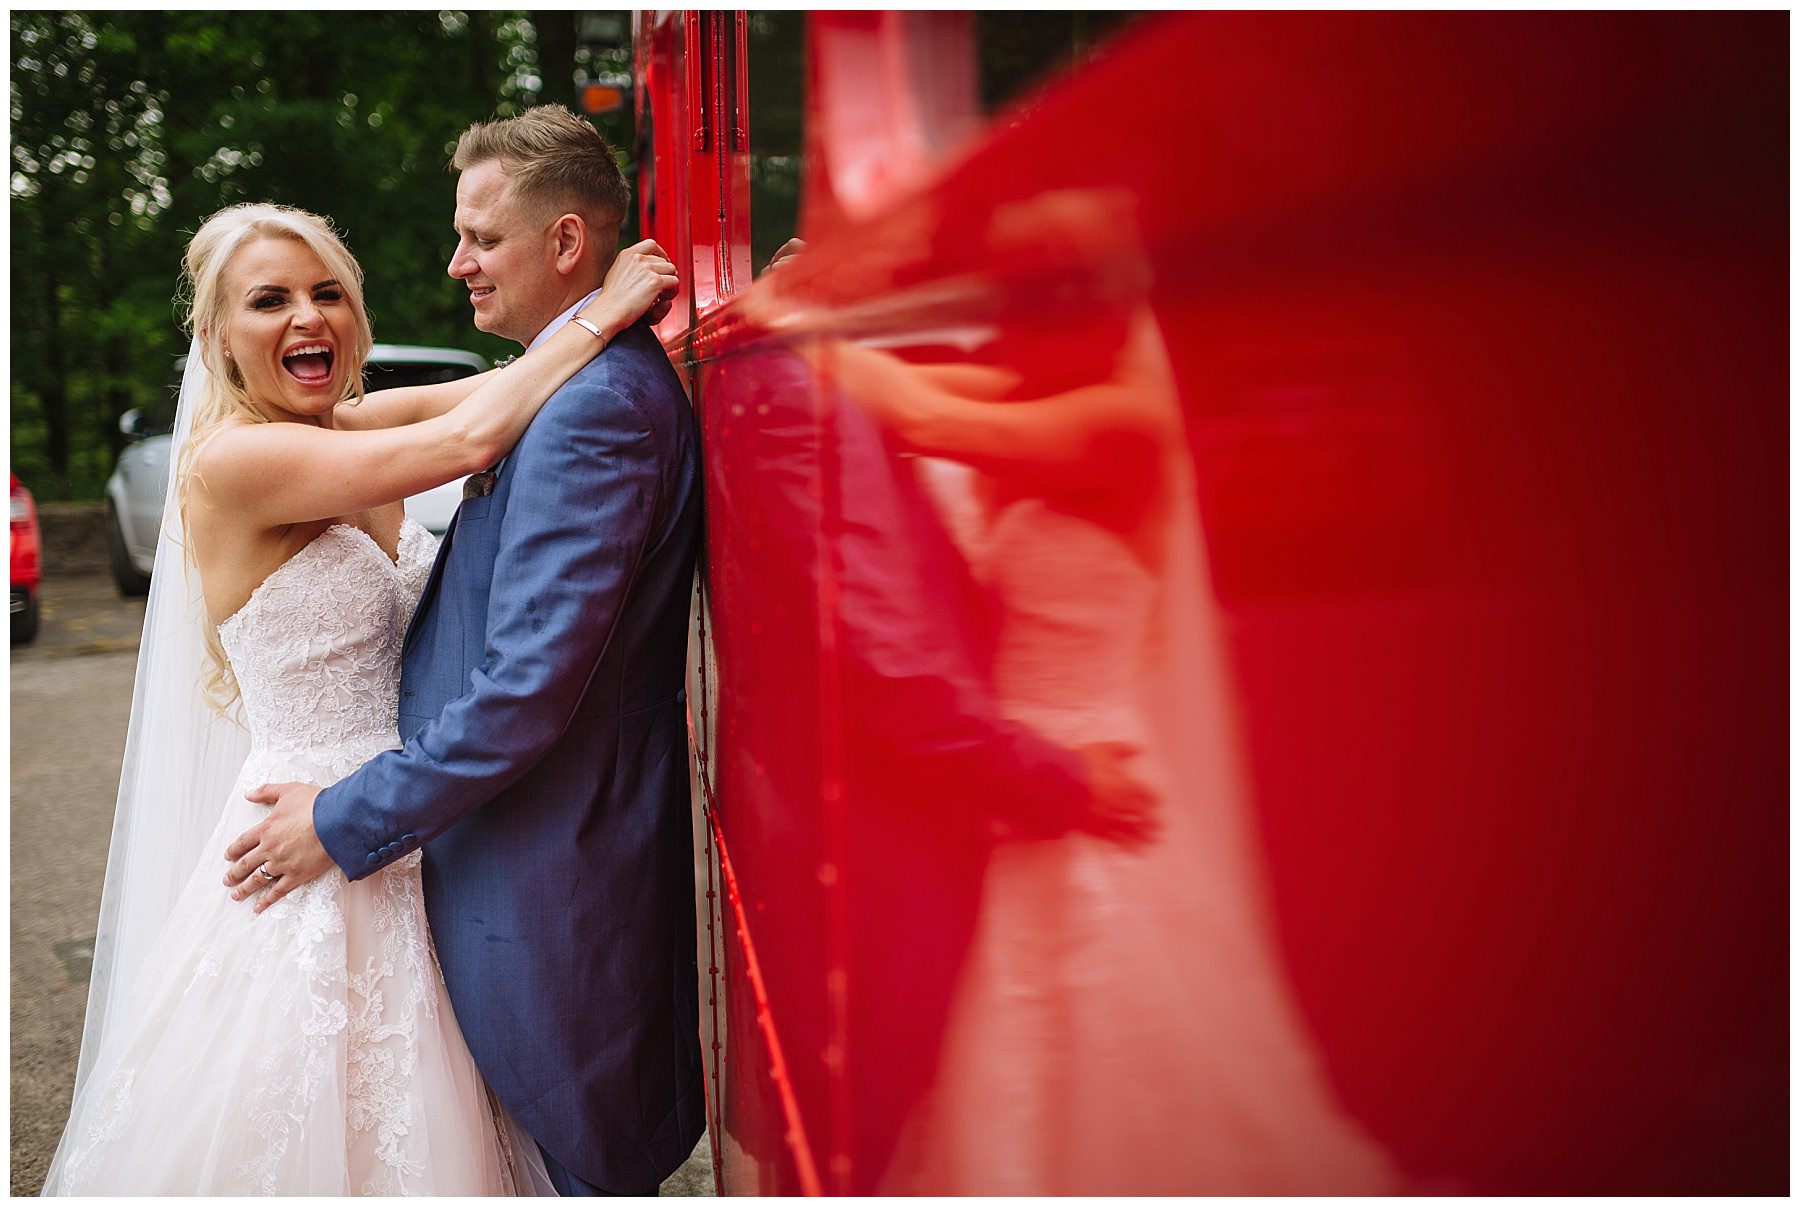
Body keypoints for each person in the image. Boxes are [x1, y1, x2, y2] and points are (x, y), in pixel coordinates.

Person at [41, 198, 676, 1195]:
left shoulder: (340, 424)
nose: (308, 317)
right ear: (217, 336)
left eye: (327, 292)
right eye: (270, 300)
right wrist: (605, 311)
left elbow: (504, 388)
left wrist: (612, 325)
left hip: (404, 827)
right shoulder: (240, 462)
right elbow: (472, 438)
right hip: (306, 843)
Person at [220, 105, 706, 1197]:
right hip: (449, 848)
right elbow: (456, 427)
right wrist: (595, 324)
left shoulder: (591, 410)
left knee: (567, 1167)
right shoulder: (552, 386)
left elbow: (526, 693)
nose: (458, 263)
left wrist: (340, 821)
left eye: (481, 237)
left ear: (565, 244)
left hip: (541, 872)